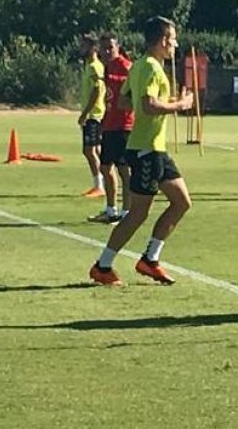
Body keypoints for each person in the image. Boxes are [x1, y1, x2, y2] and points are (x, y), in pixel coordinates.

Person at [89, 17, 195, 286]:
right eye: (172, 39)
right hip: (147, 148)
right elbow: (147, 106)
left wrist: (163, 103)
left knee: (182, 202)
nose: (175, 44)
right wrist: (179, 104)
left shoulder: (139, 66)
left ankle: (150, 259)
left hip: (154, 147)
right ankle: (103, 265)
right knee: (137, 213)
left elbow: (125, 100)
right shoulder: (149, 67)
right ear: (162, 40)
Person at [87, 33, 134, 224]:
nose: (107, 52)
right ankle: (110, 209)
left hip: (123, 124)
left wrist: (106, 77)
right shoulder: (107, 67)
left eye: (110, 48)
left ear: (118, 48)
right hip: (110, 124)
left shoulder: (124, 65)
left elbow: (126, 84)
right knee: (106, 167)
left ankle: (127, 211)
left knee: (124, 169)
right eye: (104, 48)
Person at [77, 34, 106, 199]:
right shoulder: (90, 66)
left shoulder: (95, 67)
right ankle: (101, 182)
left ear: (93, 48)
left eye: (84, 46)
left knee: (89, 150)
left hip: (94, 115)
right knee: (95, 150)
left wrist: (85, 114)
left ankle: (99, 185)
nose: (81, 49)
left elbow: (97, 91)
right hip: (93, 114)